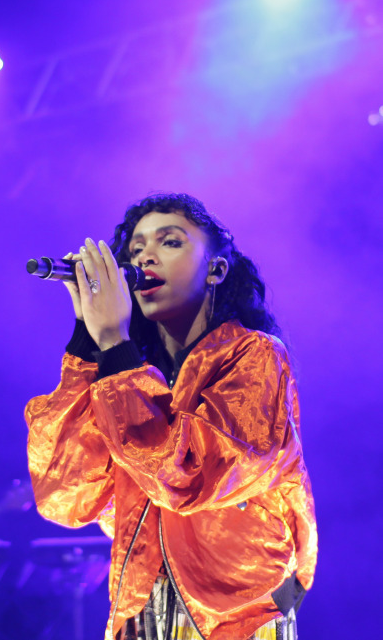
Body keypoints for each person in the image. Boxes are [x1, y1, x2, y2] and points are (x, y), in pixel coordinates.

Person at [25, 193, 318, 640]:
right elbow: (64, 493)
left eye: (170, 242)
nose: (145, 256)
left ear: (216, 270)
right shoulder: (129, 375)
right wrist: (88, 339)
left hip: (237, 614)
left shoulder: (255, 357)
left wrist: (116, 350)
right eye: (136, 247)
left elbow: (188, 476)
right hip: (142, 607)